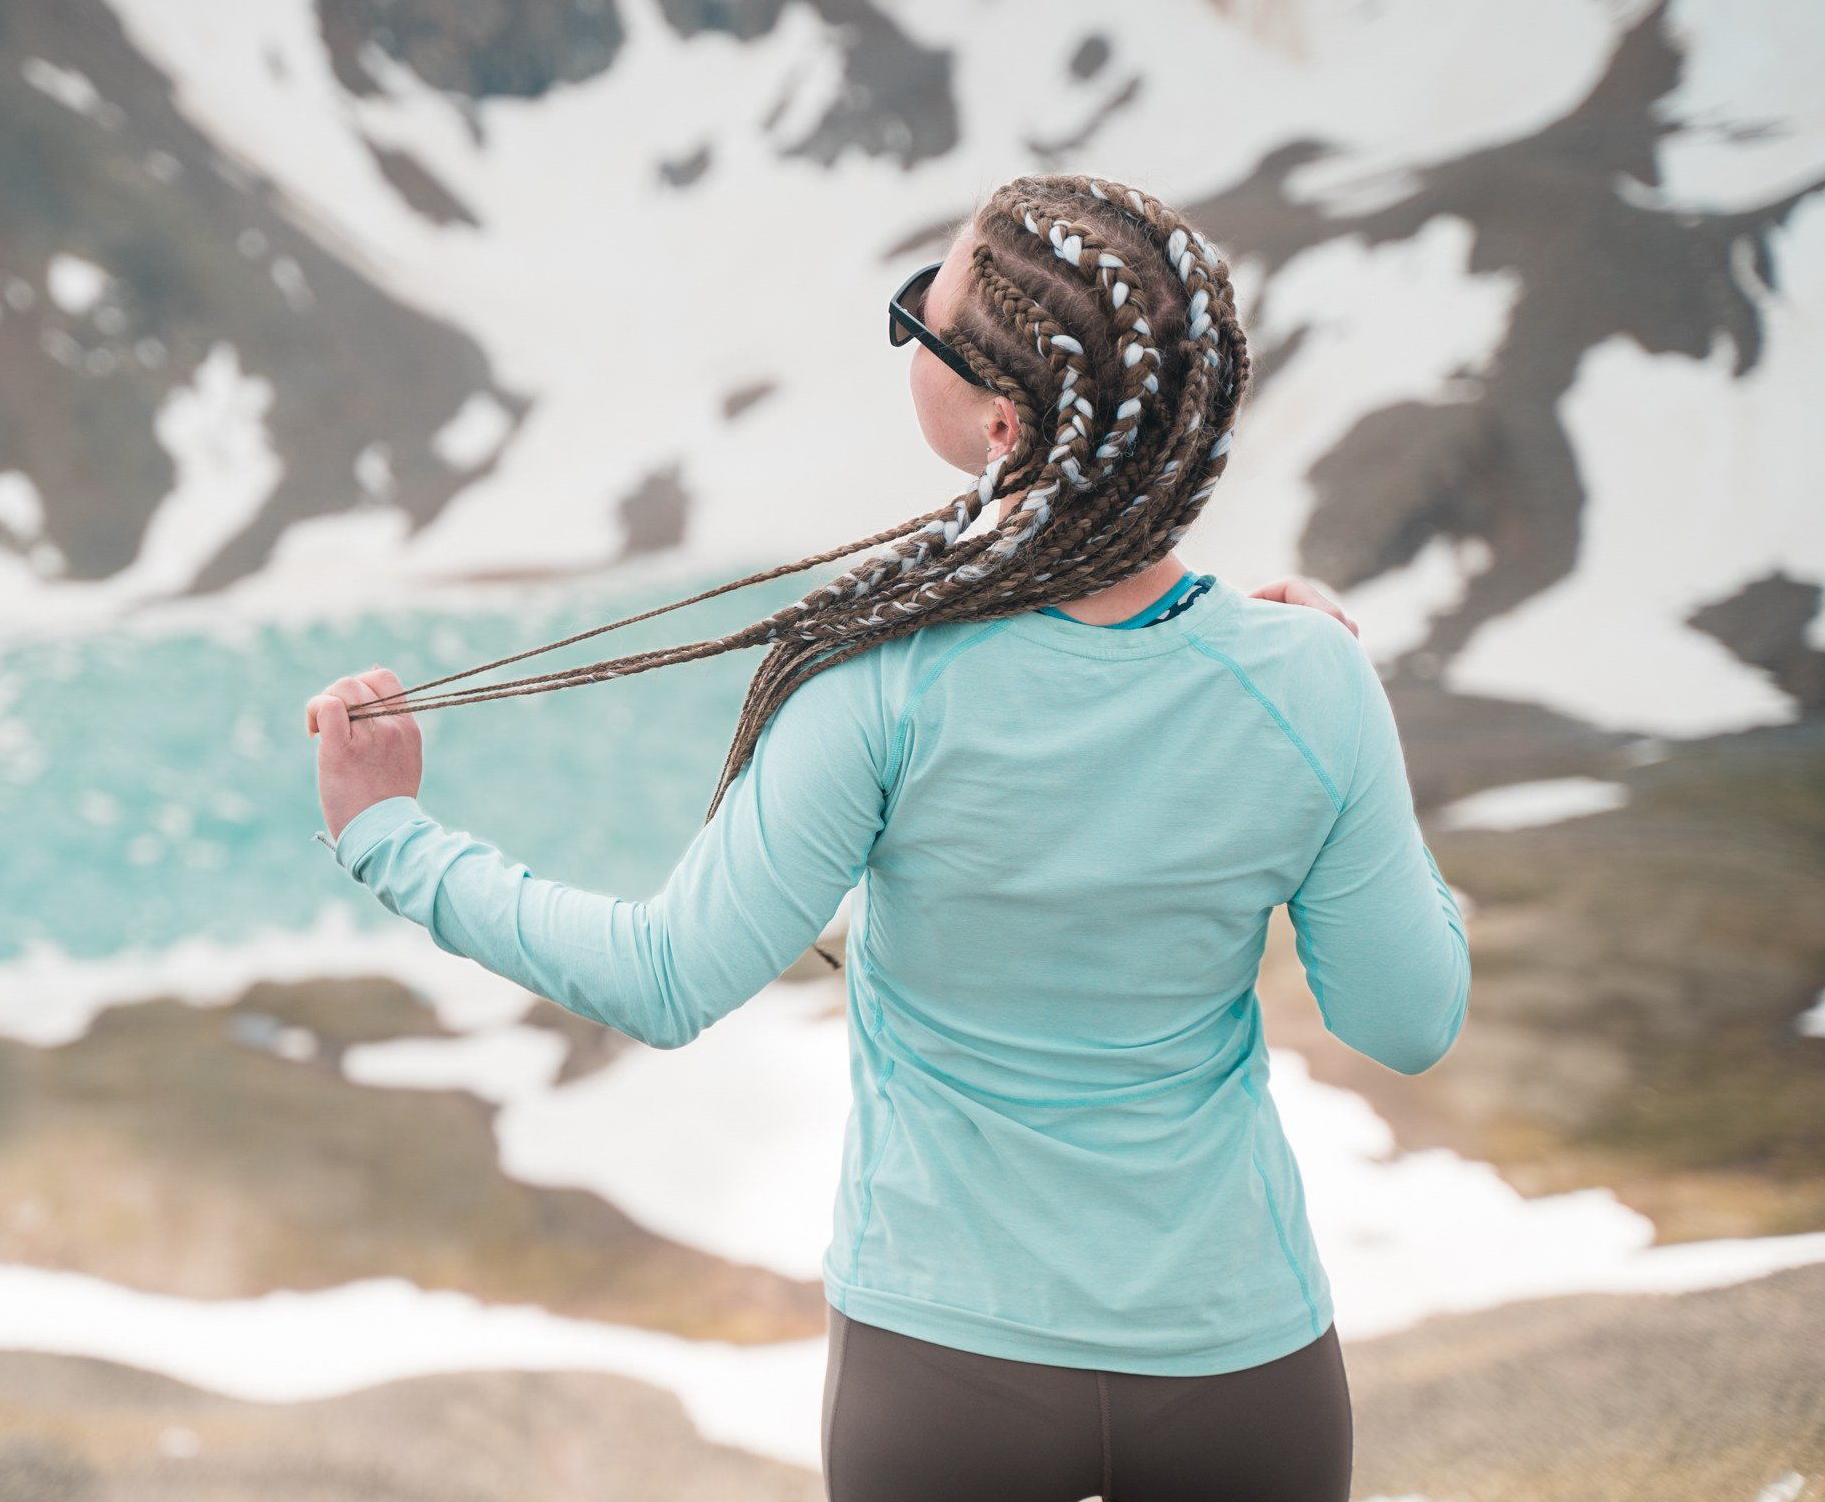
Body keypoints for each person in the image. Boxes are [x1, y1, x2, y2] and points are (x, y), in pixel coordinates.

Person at [304, 173, 1469, 1500]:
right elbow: (1408, 1019)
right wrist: (1346, 705)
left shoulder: (885, 680)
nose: (910, 324)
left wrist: (389, 833)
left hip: (945, 1372)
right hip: (1239, 1364)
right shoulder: (1306, 679)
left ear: (1002, 419)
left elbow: (663, 978)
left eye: (927, 313)